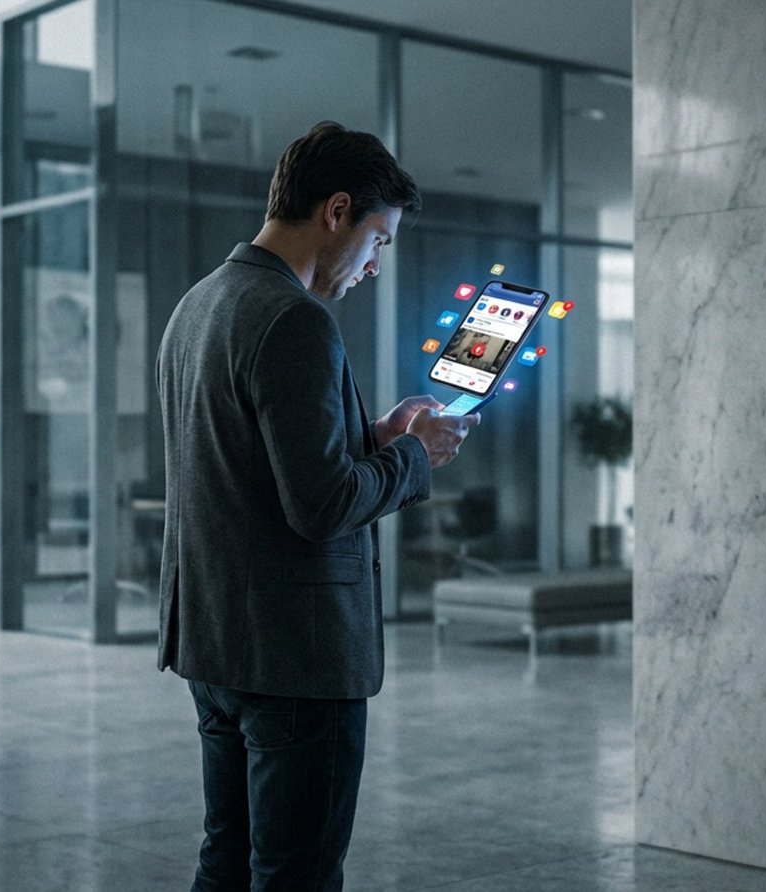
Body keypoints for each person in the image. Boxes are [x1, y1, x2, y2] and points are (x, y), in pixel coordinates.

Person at [154, 121, 479, 890]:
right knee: (296, 874)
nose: (373, 264)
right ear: (337, 211)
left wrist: (373, 434)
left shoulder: (199, 304)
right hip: (296, 659)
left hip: (216, 641)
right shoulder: (296, 319)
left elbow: (247, 459)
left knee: (226, 859)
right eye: (379, 239)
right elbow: (322, 505)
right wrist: (414, 454)